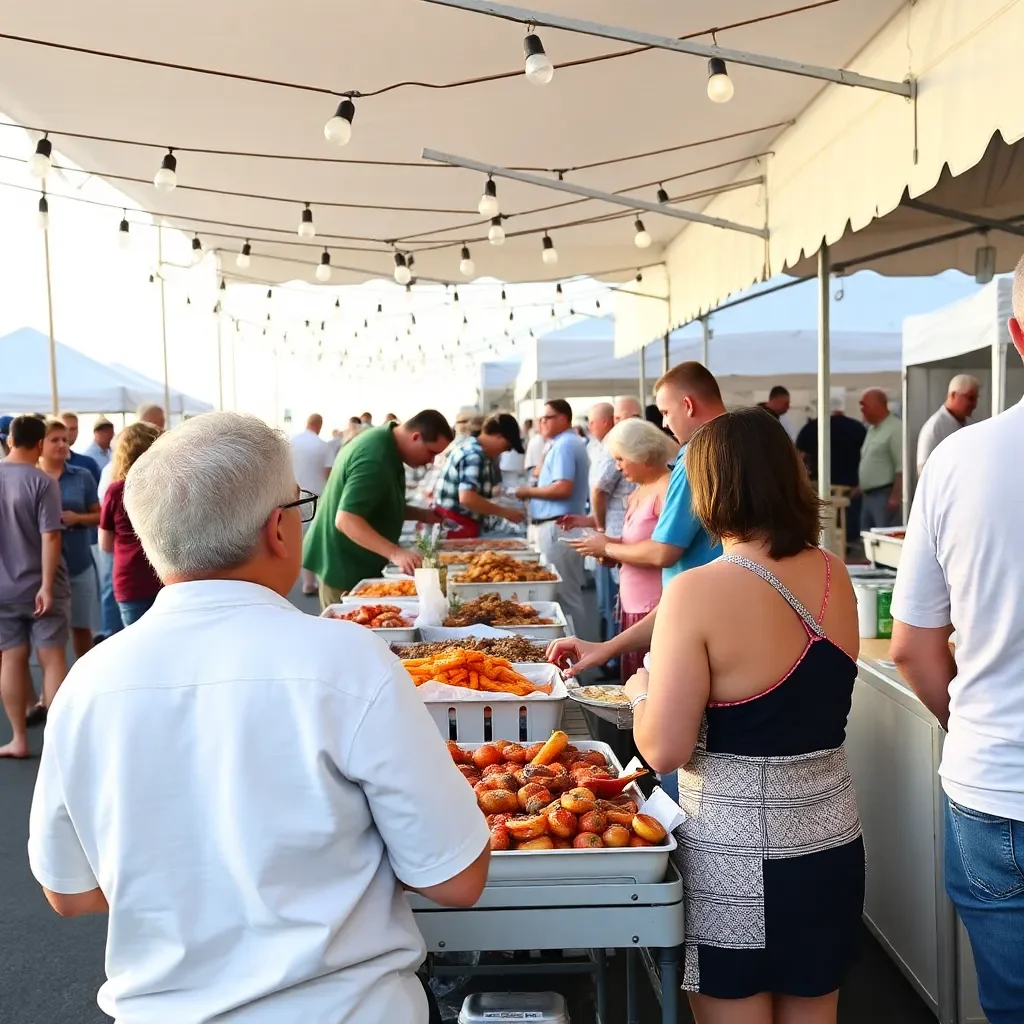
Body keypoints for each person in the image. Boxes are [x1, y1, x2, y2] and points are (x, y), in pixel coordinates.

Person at [28, 411, 489, 1024]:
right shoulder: (347, 661)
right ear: (279, 527)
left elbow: (70, 892)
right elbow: (456, 879)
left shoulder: (86, 682)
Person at [623, 406, 864, 1020]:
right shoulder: (835, 573)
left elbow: (664, 749)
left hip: (735, 853)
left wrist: (640, 688)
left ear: (709, 489)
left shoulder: (697, 590)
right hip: (830, 838)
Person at [889, 254, 1024, 1022]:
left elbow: (912, 645)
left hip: (995, 782)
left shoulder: (958, 459)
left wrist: (969, 720)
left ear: (1013, 335)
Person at [546, 362, 726, 676]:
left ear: (687, 405)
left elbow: (664, 550)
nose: (666, 425)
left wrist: (608, 548)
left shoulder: (694, 455)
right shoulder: (739, 443)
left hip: (688, 608)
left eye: (666, 413)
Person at [303, 410, 452, 608]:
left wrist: (423, 514)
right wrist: (396, 553)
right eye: (431, 453)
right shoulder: (375, 456)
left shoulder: (386, 443)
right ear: (415, 437)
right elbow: (346, 519)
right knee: (349, 634)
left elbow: (380, 503)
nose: (431, 461)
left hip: (357, 561)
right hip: (344, 566)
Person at [567, 419, 677, 683]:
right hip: (634, 605)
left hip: (652, 607)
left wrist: (607, 546)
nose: (618, 467)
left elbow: (661, 551)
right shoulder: (642, 489)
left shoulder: (668, 489)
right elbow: (636, 545)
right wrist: (608, 550)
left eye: (621, 459)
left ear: (644, 456)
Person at [0, 415, 69, 758]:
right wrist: (45, 585)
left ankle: (18, 738)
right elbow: (51, 536)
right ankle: (53, 745)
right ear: (40, 444)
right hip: (42, 586)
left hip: (4, 589)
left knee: (11, 658)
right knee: (52, 657)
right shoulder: (43, 482)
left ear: (10, 440)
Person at [514, 399, 591, 638]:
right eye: (540, 418)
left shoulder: (565, 445)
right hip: (557, 524)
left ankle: (581, 656)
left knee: (565, 595)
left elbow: (562, 488)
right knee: (566, 594)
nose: (541, 422)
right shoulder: (562, 443)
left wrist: (527, 491)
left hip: (558, 525)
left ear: (563, 419)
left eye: (547, 417)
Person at [39, 418, 101, 660]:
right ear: (40, 444)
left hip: (78, 563)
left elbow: (99, 515)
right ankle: (49, 690)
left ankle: (84, 678)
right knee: (47, 634)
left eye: (65, 439)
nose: (62, 444)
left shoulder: (82, 475)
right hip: (42, 568)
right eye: (55, 440)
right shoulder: (32, 478)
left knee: (82, 626)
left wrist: (78, 518)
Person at [99, 422, 163, 625]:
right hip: (164, 575)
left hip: (129, 579)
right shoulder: (166, 485)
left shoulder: (116, 490)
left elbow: (105, 544)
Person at [585, 402, 634, 646]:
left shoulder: (615, 446)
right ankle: (610, 655)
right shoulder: (606, 447)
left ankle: (611, 658)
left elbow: (599, 490)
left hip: (617, 537)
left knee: (615, 602)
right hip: (615, 537)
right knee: (611, 602)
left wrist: (601, 529)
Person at [434, 413, 525, 536]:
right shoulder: (474, 455)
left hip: (458, 522)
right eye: (507, 446)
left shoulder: (474, 449)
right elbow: (467, 498)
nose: (505, 451)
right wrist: (506, 512)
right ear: (498, 436)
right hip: (456, 524)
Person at [796, 394, 868, 545]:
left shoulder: (811, 427)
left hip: (820, 486)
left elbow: (799, 457)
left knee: (824, 522)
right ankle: (848, 545)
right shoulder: (857, 428)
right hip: (852, 485)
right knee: (849, 524)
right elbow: (867, 456)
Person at [290, 413, 330, 597]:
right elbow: (329, 473)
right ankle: (317, 581)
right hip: (318, 497)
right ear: (319, 425)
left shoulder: (292, 442)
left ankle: (307, 582)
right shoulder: (323, 445)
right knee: (318, 541)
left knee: (300, 541)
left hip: (295, 496)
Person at [857, 388, 902, 530]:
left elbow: (901, 466)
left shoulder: (895, 428)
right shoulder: (872, 430)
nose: (862, 410)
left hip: (884, 495)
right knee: (868, 538)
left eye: (865, 405)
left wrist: (895, 496)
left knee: (883, 537)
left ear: (878, 405)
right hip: (868, 496)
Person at [916, 374, 979, 474]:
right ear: (954, 395)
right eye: (970, 398)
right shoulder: (934, 427)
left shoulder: (971, 424)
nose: (975, 404)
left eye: (975, 398)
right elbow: (924, 470)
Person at [59, 412, 101, 484]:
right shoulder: (42, 467)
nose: (71, 432)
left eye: (75, 429)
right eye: (67, 428)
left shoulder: (88, 463)